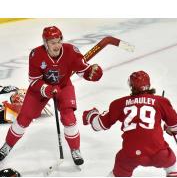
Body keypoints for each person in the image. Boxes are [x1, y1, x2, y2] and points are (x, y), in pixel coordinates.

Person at [0, 26, 103, 166]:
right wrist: (47, 89)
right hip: (41, 88)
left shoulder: (71, 51)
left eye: (58, 41)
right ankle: (7, 145)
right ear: (45, 43)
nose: (57, 45)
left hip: (63, 86)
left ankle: (75, 149)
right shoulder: (36, 54)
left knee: (69, 118)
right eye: (52, 42)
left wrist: (91, 74)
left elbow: (82, 70)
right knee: (24, 118)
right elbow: (34, 80)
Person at [82, 70, 177, 176]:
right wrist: (168, 128)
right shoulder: (160, 101)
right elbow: (176, 126)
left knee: (117, 174)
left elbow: (99, 125)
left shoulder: (119, 103)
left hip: (130, 154)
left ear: (131, 86)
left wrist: (91, 115)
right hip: (158, 152)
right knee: (172, 168)